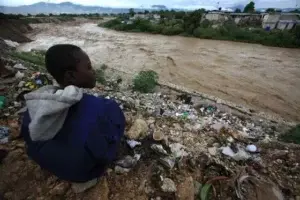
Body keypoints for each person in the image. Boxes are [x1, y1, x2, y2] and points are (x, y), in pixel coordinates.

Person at [21, 44, 125, 185]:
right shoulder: (105, 108)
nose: (93, 71)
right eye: (88, 67)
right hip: (82, 173)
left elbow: (29, 140)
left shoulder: (36, 105)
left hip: (44, 160)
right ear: (70, 76)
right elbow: (104, 153)